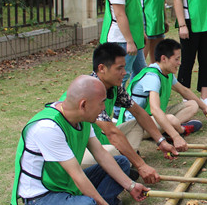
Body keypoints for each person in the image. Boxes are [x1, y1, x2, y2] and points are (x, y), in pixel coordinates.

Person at [11, 75, 150, 205]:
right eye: (101, 103)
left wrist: (131, 186)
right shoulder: (47, 128)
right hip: (42, 197)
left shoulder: (82, 118)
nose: (104, 108)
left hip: (66, 184)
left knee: (121, 163)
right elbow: (77, 174)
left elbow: (102, 155)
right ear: (83, 104)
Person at [76, 43, 184, 183]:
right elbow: (112, 133)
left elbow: (140, 114)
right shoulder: (90, 91)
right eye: (119, 68)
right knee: (113, 154)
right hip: (75, 153)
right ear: (102, 68)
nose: (125, 72)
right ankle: (118, 167)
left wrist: (161, 141)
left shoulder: (114, 88)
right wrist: (142, 165)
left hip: (96, 141)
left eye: (124, 67)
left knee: (137, 125)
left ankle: (125, 163)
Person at [119, 39, 207, 145]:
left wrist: (205, 108)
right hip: (138, 124)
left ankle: (167, 130)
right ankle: (180, 130)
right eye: (177, 59)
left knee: (193, 104)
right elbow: (155, 110)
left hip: (152, 117)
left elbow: (183, 90)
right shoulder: (152, 78)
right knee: (171, 119)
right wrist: (176, 137)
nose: (179, 63)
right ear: (164, 58)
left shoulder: (166, 72)